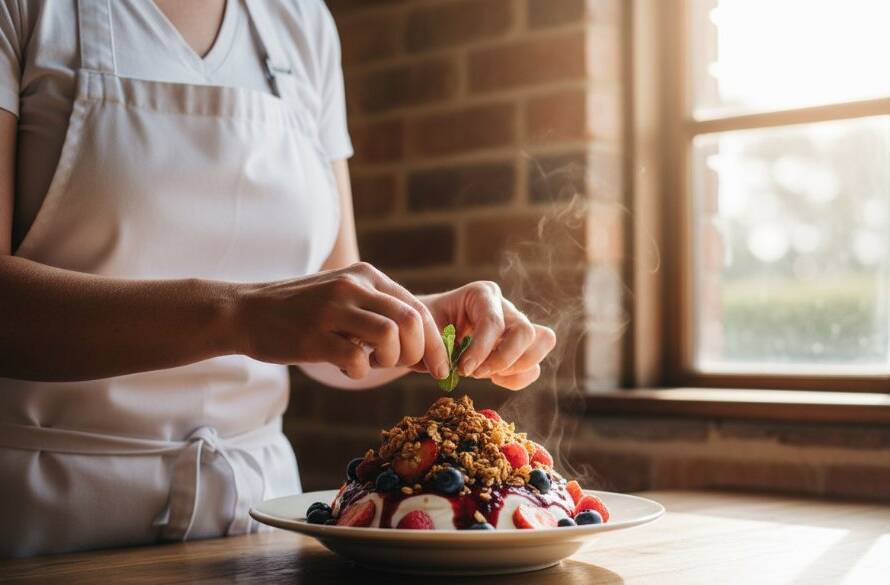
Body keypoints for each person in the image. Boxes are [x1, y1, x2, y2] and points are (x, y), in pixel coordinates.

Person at [0, 0, 556, 558]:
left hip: (256, 519)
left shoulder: (302, 23)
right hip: (50, 517)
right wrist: (240, 316)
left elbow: (329, 324)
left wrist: (422, 319)